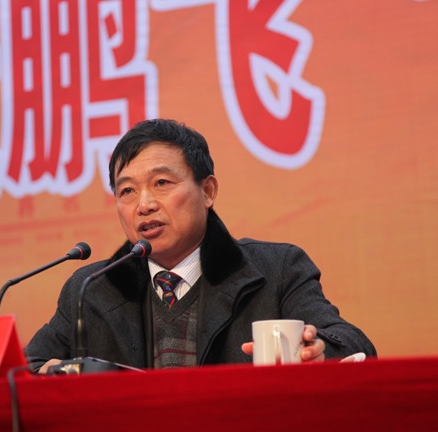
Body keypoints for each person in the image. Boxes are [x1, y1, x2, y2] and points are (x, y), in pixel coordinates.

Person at [25, 119, 376, 372]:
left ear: (207, 192)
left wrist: (318, 351)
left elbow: (353, 343)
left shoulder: (278, 269)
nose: (144, 205)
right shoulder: (91, 289)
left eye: (161, 183)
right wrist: (52, 373)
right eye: (127, 190)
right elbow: (24, 367)